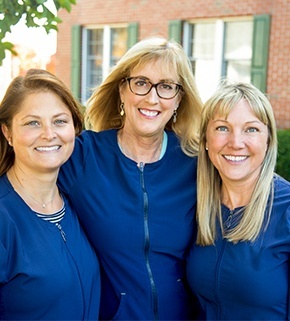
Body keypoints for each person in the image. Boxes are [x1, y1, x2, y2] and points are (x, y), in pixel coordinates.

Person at [58, 37, 203, 320]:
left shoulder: (196, 164)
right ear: (122, 90)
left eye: (166, 86)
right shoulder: (83, 156)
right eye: (141, 83)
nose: (152, 98)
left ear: (178, 99)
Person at [0, 69, 100, 320]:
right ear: (7, 133)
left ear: (75, 129)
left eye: (59, 121)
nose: (48, 133)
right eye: (33, 122)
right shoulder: (3, 217)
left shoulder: (76, 203)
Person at [186, 81, 290, 320]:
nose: (235, 142)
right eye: (222, 128)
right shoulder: (195, 205)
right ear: (205, 140)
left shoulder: (286, 210)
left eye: (251, 129)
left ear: (268, 141)